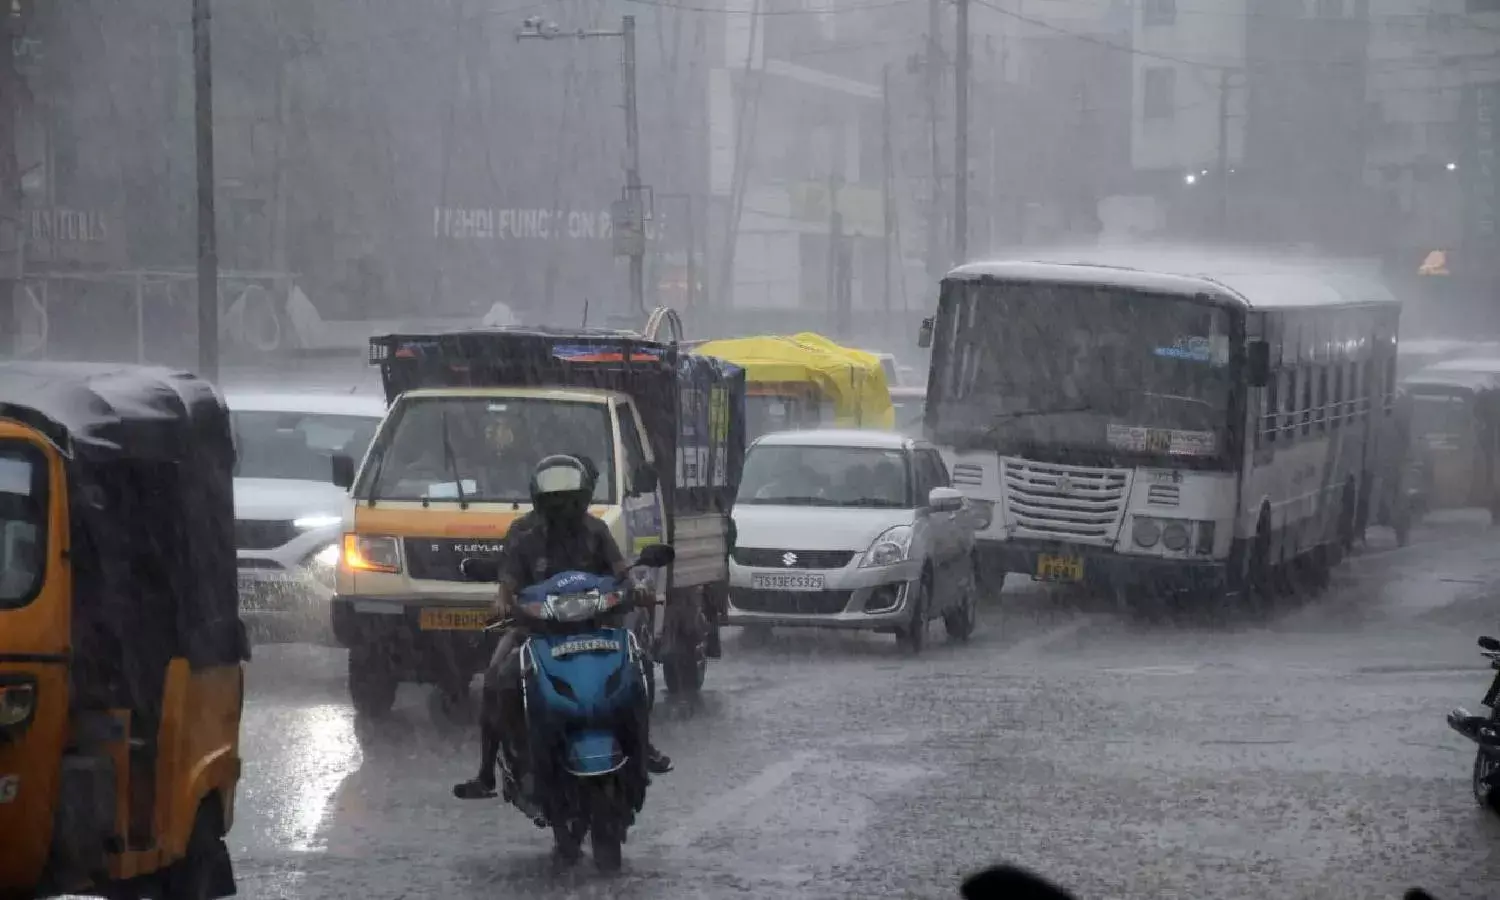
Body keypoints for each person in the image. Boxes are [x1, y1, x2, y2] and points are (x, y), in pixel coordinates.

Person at [453, 454, 672, 801]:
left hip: (596, 626)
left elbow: (620, 572)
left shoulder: (596, 531)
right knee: (496, 678)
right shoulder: (522, 533)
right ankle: (486, 774)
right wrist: (503, 600)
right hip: (535, 629)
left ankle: (643, 743)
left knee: (639, 664)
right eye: (556, 499)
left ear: (583, 497)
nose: (563, 506)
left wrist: (637, 589)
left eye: (570, 499)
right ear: (541, 499)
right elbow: (508, 578)